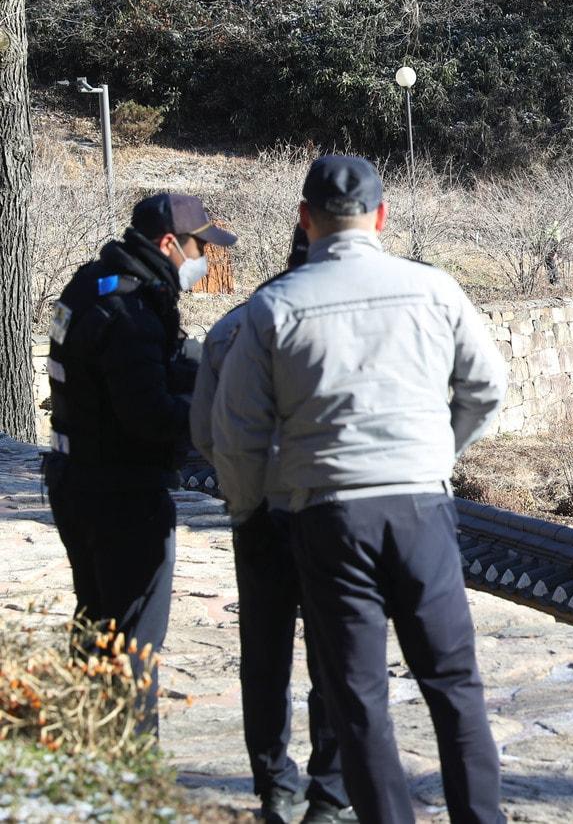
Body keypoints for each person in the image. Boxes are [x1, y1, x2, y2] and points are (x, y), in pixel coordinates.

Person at [210, 155, 509, 823]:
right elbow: (488, 389)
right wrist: (436, 453)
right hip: (420, 509)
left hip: (328, 516)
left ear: (304, 220)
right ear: (381, 217)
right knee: (455, 684)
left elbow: (236, 434)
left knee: (358, 696)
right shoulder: (435, 289)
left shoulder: (272, 308)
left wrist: (249, 505)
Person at [43, 192, 237, 735]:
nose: (206, 259)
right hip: (122, 493)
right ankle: (130, 773)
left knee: (96, 627)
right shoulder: (128, 309)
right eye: (201, 246)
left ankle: (82, 752)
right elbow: (147, 415)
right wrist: (218, 416)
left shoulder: (96, 281)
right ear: (169, 243)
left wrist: (207, 363)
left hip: (77, 478)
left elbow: (155, 362)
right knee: (132, 642)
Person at [190, 226, 353, 824]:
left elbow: (207, 432)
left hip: (259, 512)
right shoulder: (350, 324)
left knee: (264, 655)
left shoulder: (234, 324)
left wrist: (246, 500)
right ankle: (331, 794)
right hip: (333, 514)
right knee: (335, 653)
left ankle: (274, 786)